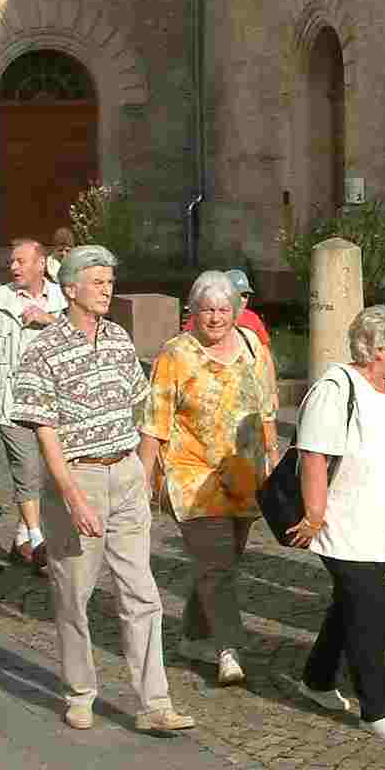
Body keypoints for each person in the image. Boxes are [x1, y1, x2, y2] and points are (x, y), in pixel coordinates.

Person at [11, 245, 194, 734]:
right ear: (70, 289)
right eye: (97, 281)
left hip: (125, 474)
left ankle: (154, 702)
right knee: (74, 594)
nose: (107, 289)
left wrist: (144, 468)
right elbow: (43, 430)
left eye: (110, 280)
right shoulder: (43, 350)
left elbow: (141, 407)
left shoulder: (117, 338)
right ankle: (80, 691)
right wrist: (71, 495)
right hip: (78, 478)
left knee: (142, 591)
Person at [287, 306, 385, 742]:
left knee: (350, 603)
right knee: (370, 611)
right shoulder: (336, 387)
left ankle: (316, 678)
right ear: (378, 348)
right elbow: (313, 454)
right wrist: (314, 516)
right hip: (345, 522)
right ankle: (376, 708)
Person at [143, 270, 280, 687]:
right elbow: (155, 422)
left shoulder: (252, 346)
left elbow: (268, 407)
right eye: (207, 310)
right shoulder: (175, 354)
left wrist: (271, 459)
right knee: (217, 564)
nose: (216, 318)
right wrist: (143, 481)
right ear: (193, 312)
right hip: (192, 477)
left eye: (223, 309)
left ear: (236, 310)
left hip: (243, 475)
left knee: (221, 562)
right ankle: (228, 649)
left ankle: (192, 635)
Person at [0, 238, 67, 571]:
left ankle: (20, 539)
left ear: (41, 263)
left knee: (49, 473)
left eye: (20, 261)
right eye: (11, 262)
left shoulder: (64, 300)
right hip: (9, 401)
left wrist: (50, 320)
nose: (13, 267)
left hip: (51, 402)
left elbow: (84, 337)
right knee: (26, 469)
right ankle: (37, 539)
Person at [225, 268, 272, 348]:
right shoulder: (206, 318)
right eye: (236, 294)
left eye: (245, 295)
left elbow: (265, 355)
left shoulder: (253, 319)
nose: (242, 299)